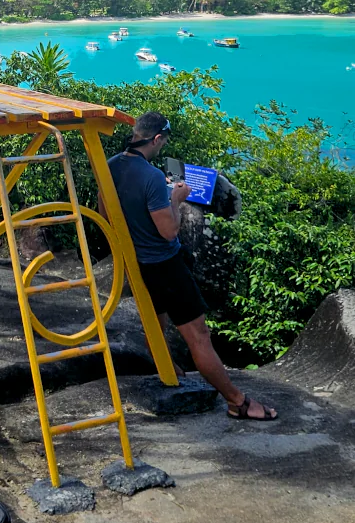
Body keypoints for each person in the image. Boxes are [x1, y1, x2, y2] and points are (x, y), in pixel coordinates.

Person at [108, 111, 277, 421]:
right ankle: (237, 402)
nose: (162, 148)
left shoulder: (112, 165)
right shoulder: (152, 177)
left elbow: (103, 210)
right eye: (163, 143)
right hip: (165, 265)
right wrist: (177, 197)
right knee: (199, 336)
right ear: (156, 139)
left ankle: (170, 373)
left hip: (138, 263)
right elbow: (170, 230)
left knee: (154, 325)